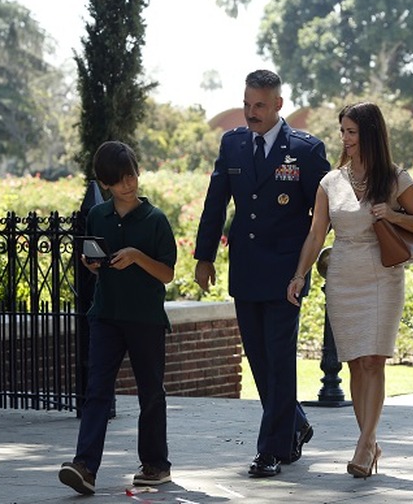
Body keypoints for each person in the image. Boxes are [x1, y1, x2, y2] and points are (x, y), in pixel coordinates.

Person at [287, 101, 413, 479]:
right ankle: (369, 442)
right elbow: (316, 234)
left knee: (374, 361)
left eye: (351, 132)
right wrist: (299, 275)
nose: (345, 139)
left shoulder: (395, 177)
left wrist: (393, 213)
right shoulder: (330, 182)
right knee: (355, 363)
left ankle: (364, 444)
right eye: (343, 132)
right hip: (343, 276)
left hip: (384, 275)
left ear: (369, 134)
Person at [193, 69, 330, 477]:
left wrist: (304, 267)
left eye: (259, 106)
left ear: (277, 105)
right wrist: (204, 256)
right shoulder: (233, 144)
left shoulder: (305, 150)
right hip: (247, 268)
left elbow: (323, 219)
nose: (250, 113)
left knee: (280, 359)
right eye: (247, 104)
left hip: (287, 273)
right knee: (258, 358)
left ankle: (271, 450)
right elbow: (215, 202)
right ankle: (297, 424)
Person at [59, 141, 177, 495]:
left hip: (145, 319)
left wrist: (138, 256)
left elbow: (167, 273)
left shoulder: (155, 219)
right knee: (96, 391)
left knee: (150, 393)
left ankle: (156, 465)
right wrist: (92, 264)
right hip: (105, 315)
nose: (129, 184)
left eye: (132, 175)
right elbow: (96, 262)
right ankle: (85, 467)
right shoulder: (97, 216)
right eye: (120, 179)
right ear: (106, 184)